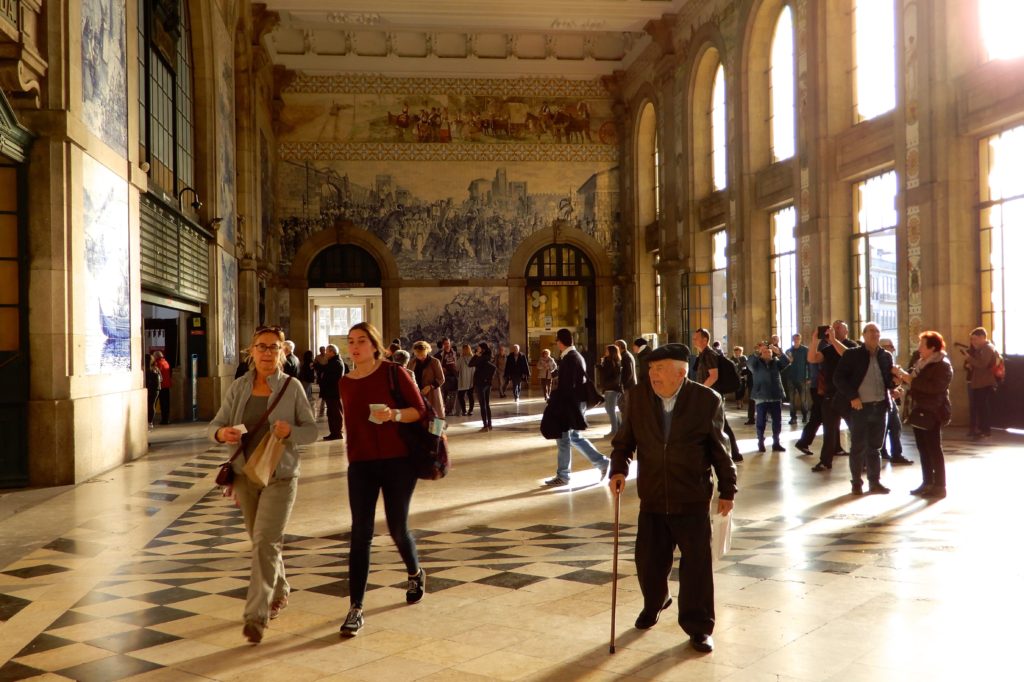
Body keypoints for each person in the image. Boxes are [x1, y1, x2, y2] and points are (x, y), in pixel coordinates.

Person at [608, 343, 737, 654]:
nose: (653, 375)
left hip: (691, 497)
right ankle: (655, 602)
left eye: (660, 369)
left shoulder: (706, 400)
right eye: (651, 369)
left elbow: (722, 450)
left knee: (696, 568)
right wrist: (618, 469)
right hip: (652, 497)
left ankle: (699, 627)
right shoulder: (637, 398)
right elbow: (624, 442)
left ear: (681, 372)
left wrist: (728, 489)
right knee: (648, 563)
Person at [208, 326, 317, 643]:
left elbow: (310, 430)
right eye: (261, 347)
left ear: (283, 352)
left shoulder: (292, 387)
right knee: (261, 542)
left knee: (266, 541)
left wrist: (290, 432)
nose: (267, 352)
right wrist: (221, 434)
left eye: (273, 347)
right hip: (245, 477)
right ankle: (280, 587)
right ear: (251, 351)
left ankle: (256, 615)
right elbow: (215, 424)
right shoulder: (239, 387)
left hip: (280, 476)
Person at [337, 322, 428, 636]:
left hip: (398, 461)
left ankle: (415, 571)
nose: (355, 346)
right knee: (360, 533)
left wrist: (395, 414)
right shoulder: (344, 383)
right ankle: (356, 607)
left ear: (374, 345)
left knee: (396, 526)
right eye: (350, 342)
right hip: (360, 464)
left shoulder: (394, 372)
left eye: (361, 341)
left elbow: (420, 410)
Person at [833, 322, 895, 495]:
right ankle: (856, 483)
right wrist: (853, 396)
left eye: (877, 331)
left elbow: (888, 381)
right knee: (858, 446)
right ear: (863, 335)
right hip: (860, 407)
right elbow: (838, 378)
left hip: (880, 406)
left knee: (875, 447)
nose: (874, 334)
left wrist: (894, 385)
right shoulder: (852, 355)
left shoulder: (886, 356)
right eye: (871, 331)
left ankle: (874, 482)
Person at [543, 328, 610, 486]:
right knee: (573, 438)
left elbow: (568, 386)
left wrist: (556, 402)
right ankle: (602, 462)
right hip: (575, 402)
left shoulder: (570, 358)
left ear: (560, 342)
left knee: (564, 440)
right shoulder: (574, 356)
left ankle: (563, 476)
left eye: (557, 341)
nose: (557, 344)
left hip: (570, 403)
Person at [892, 331, 953, 499]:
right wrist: (902, 376)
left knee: (934, 448)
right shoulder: (921, 362)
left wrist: (910, 380)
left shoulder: (943, 365)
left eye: (922, 344)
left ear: (932, 348)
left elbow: (935, 388)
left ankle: (940, 485)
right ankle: (927, 482)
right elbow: (913, 380)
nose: (918, 347)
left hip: (933, 411)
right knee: (923, 448)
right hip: (918, 409)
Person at [808, 321, 857, 472]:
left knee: (855, 429)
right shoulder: (828, 349)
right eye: (832, 327)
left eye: (838, 327)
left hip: (848, 395)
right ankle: (825, 461)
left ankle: (861, 461)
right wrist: (815, 340)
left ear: (846, 331)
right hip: (830, 394)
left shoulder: (853, 346)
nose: (833, 329)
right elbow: (812, 358)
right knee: (829, 430)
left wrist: (834, 341)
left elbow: (847, 356)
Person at [692, 329, 743, 463]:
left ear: (705, 340)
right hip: (709, 395)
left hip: (711, 396)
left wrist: (701, 390)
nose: (694, 340)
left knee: (722, 425)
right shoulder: (703, 354)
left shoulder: (709, 354)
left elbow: (714, 376)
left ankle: (735, 453)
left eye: (696, 338)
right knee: (716, 424)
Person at [747, 340, 790, 453]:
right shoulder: (756, 363)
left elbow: (787, 362)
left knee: (777, 421)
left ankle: (776, 442)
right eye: (765, 352)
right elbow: (749, 363)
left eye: (770, 352)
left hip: (775, 395)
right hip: (761, 396)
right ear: (761, 353)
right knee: (761, 421)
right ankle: (760, 441)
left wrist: (779, 352)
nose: (768, 354)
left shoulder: (776, 363)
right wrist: (757, 352)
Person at [879, 339, 914, 465]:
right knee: (882, 427)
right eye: (890, 346)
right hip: (880, 399)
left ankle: (896, 454)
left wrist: (896, 389)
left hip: (890, 398)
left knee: (895, 426)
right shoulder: (879, 361)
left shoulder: (889, 361)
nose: (893, 349)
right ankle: (881, 451)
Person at [962, 327, 998, 439]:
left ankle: (985, 429)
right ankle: (981, 429)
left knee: (982, 406)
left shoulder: (987, 348)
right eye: (972, 339)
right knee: (979, 406)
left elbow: (982, 364)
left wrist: (969, 359)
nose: (973, 342)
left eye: (975, 339)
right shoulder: (980, 348)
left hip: (985, 382)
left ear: (983, 337)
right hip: (978, 382)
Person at [408, 341, 445, 419]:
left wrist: (430, 387)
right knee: (421, 420)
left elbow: (441, 379)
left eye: (423, 354)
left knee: (435, 420)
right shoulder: (412, 363)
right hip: (418, 395)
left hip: (432, 395)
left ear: (427, 351)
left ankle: (437, 430)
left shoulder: (435, 362)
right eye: (418, 355)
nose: (421, 357)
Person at [469, 342, 497, 431]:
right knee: (487, 404)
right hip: (487, 383)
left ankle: (485, 426)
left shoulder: (481, 358)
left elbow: (470, 364)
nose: (477, 349)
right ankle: (489, 424)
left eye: (479, 348)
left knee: (482, 405)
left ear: (482, 349)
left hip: (480, 382)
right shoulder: (488, 357)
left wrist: (476, 355)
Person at [321, 344, 346, 441]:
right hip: (331, 392)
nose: (325, 353)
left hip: (333, 392)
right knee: (332, 413)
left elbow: (331, 377)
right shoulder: (333, 362)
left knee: (335, 413)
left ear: (332, 352)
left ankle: (337, 433)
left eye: (327, 351)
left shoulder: (336, 362)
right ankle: (334, 432)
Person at [598, 344, 623, 437]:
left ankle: (615, 430)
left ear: (611, 352)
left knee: (610, 409)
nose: (605, 352)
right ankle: (618, 427)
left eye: (607, 350)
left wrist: (601, 365)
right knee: (609, 408)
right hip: (613, 388)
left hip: (610, 388)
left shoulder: (609, 362)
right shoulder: (616, 361)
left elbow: (606, 373)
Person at [785, 333, 810, 424]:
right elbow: (785, 365)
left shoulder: (805, 350)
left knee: (803, 400)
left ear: (800, 339)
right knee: (791, 400)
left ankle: (805, 416)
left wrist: (808, 376)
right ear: (792, 340)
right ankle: (793, 417)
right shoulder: (788, 351)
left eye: (798, 338)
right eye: (794, 339)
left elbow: (809, 364)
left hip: (802, 378)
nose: (796, 340)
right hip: (791, 378)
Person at [437, 338, 459, 416]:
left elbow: (458, 361)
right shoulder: (440, 354)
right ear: (443, 344)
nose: (447, 345)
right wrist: (440, 367)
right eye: (445, 343)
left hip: (454, 375)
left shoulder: (454, 352)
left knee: (453, 394)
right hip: (445, 376)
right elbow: (435, 363)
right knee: (444, 394)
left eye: (448, 343)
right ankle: (445, 409)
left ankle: (452, 410)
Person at [456, 343, 476, 415]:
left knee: (460, 396)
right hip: (471, 380)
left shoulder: (461, 359)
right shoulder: (473, 358)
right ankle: (471, 410)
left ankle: (464, 410)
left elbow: (456, 368)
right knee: (470, 395)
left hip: (463, 380)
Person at [153, 351, 172, 424]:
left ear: (157, 357)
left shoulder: (158, 363)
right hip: (167, 385)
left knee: (162, 403)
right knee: (166, 403)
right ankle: (166, 419)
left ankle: (164, 420)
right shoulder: (166, 362)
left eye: (154, 357)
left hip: (162, 386)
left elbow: (157, 374)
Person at [145, 352, 161, 429]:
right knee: (152, 405)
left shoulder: (148, 370)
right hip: (156, 389)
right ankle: (150, 422)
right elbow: (161, 379)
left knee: (150, 405)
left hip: (151, 389)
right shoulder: (156, 368)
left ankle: (149, 422)